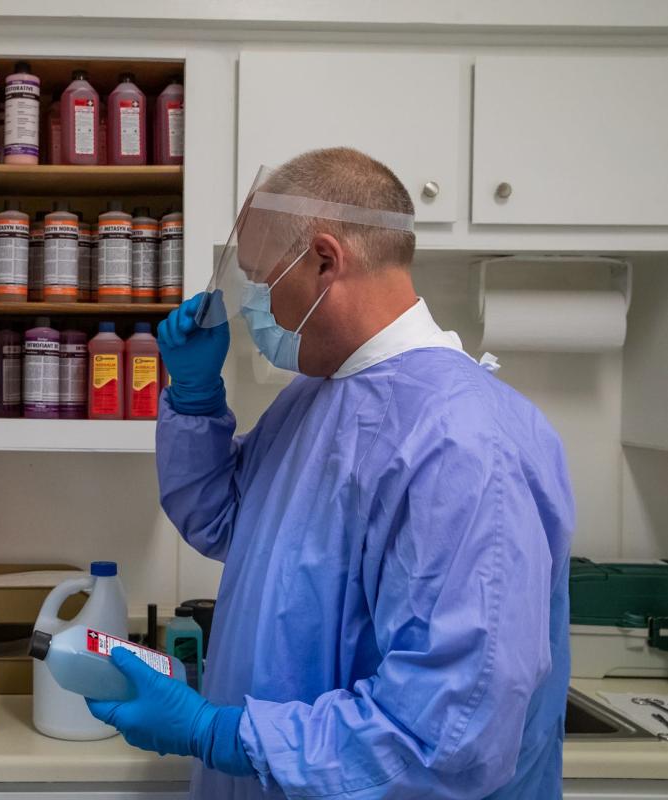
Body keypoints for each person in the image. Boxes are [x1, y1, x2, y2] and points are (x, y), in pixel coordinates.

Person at [86, 148, 575, 799]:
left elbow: (443, 741)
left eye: (259, 280)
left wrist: (217, 733)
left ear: (324, 259)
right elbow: (227, 520)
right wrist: (196, 397)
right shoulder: (317, 398)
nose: (251, 306)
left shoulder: (463, 446)